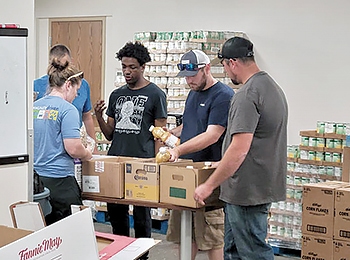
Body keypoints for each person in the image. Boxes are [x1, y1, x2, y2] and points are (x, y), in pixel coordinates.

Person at [194, 37, 288, 260]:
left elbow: (239, 148)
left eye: (225, 66)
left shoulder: (246, 95)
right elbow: (258, 142)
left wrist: (209, 185)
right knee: (234, 251)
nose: (226, 73)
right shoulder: (272, 88)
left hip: (246, 190)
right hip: (260, 185)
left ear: (232, 62)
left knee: (253, 252)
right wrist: (222, 163)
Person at [94, 41, 167, 260]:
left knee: (142, 215)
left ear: (143, 67)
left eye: (132, 67)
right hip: (116, 160)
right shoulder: (117, 95)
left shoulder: (156, 95)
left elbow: (160, 133)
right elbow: (109, 133)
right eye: (124, 66)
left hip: (142, 163)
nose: (127, 71)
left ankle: (142, 256)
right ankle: (120, 253)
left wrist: (158, 163)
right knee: (116, 214)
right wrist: (98, 116)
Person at [165, 50, 234, 260]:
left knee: (213, 235)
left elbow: (212, 134)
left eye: (193, 75)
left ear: (207, 69)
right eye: (185, 77)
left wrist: (178, 150)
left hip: (209, 173)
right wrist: (172, 134)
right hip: (188, 172)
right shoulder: (193, 92)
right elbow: (191, 124)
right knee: (184, 232)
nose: (189, 81)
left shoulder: (223, 96)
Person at [33, 59, 93, 225]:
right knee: (71, 234)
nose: (76, 95)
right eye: (76, 90)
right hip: (61, 182)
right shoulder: (68, 110)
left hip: (36, 182)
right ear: (68, 85)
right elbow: (73, 149)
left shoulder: (34, 107)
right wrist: (87, 153)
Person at [34, 44, 96, 144]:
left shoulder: (81, 84)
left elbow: (87, 117)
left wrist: (93, 147)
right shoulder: (36, 86)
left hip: (73, 141)